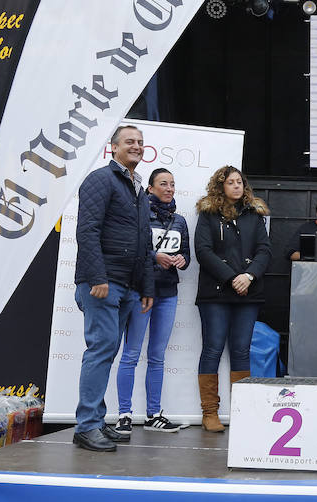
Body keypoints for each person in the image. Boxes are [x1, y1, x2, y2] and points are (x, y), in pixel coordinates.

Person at [73, 125, 154, 452]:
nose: (136, 146)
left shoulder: (138, 188)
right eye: (130, 142)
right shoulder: (101, 180)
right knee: (101, 349)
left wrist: (146, 285)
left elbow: (145, 243)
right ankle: (87, 426)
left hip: (128, 285)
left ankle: (95, 421)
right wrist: (97, 277)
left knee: (106, 351)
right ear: (113, 148)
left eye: (140, 143)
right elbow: (87, 231)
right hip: (103, 284)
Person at [194, 165, 271, 433]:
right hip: (215, 293)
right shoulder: (208, 214)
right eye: (231, 182)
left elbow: (264, 250)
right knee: (213, 349)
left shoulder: (254, 214)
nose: (237, 186)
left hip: (248, 292)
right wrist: (231, 277)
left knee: (241, 351)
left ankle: (241, 412)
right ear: (221, 187)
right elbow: (203, 251)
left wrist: (248, 277)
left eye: (240, 181)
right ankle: (209, 412)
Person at [115, 168, 190, 436]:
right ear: (150, 188)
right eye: (163, 183)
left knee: (157, 356)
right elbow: (134, 250)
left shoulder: (180, 220)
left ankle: (153, 414)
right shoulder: (139, 215)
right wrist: (154, 257)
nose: (169, 188)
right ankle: (124, 414)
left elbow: (186, 256)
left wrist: (181, 260)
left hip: (168, 293)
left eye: (172, 184)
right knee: (131, 354)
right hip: (140, 291)